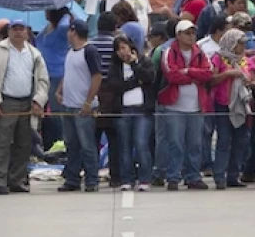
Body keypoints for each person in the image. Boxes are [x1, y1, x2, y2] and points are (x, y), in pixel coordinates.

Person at [0, 19, 50, 195]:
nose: (18, 32)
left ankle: (17, 180)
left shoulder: (34, 54)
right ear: (9, 31)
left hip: (27, 101)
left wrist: (38, 101)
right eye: (15, 29)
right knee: (2, 143)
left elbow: (43, 80)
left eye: (21, 29)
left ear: (27, 32)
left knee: (24, 143)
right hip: (6, 101)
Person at [159, 20, 212, 190]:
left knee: (195, 144)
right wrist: (195, 76)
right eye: (187, 33)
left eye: (193, 33)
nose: (191, 36)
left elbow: (208, 73)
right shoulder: (169, 52)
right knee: (175, 143)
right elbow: (172, 75)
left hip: (196, 106)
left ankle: (193, 177)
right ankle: (173, 176)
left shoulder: (200, 52)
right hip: (174, 107)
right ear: (178, 35)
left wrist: (188, 71)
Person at [56, 19, 102, 193]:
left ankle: (92, 179)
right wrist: (60, 90)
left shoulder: (89, 51)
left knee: (87, 144)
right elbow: (68, 74)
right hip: (68, 104)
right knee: (71, 144)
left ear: (73, 32)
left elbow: (97, 76)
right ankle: (72, 178)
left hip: (82, 107)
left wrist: (88, 102)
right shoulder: (70, 52)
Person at [108, 35, 155, 192]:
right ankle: (126, 179)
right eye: (118, 50)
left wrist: (134, 65)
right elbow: (115, 86)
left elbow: (149, 78)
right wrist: (135, 82)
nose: (122, 52)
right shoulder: (115, 67)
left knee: (141, 144)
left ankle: (144, 179)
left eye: (124, 48)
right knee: (124, 146)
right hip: (123, 110)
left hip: (142, 110)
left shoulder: (144, 61)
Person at [209, 28, 250, 190]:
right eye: (240, 44)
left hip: (239, 104)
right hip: (223, 103)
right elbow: (211, 80)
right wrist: (228, 74)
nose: (242, 47)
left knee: (240, 140)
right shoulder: (218, 58)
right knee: (224, 140)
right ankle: (219, 175)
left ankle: (234, 175)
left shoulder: (243, 60)